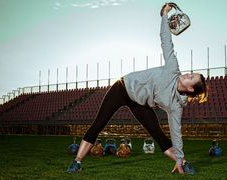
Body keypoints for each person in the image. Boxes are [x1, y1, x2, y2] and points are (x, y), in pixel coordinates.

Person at [67, 3, 208, 174]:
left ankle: (183, 163)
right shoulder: (173, 69)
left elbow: (176, 134)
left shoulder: (175, 106)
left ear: (191, 89)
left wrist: (179, 157)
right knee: (99, 123)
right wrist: (164, 16)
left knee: (159, 135)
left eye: (191, 78)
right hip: (122, 88)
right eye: (191, 73)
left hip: (140, 103)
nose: (187, 74)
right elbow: (166, 41)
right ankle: (77, 162)